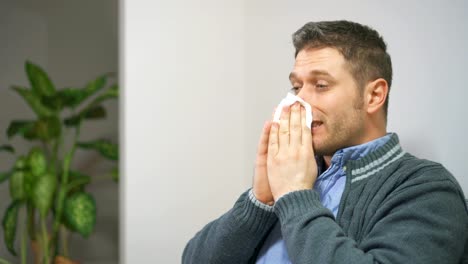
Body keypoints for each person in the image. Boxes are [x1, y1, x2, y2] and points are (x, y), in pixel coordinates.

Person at [182, 20, 468, 263]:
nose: (299, 99)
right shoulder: (295, 174)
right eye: (296, 86)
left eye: (320, 85)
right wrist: (259, 203)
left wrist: (295, 196)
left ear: (374, 96)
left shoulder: (428, 189)